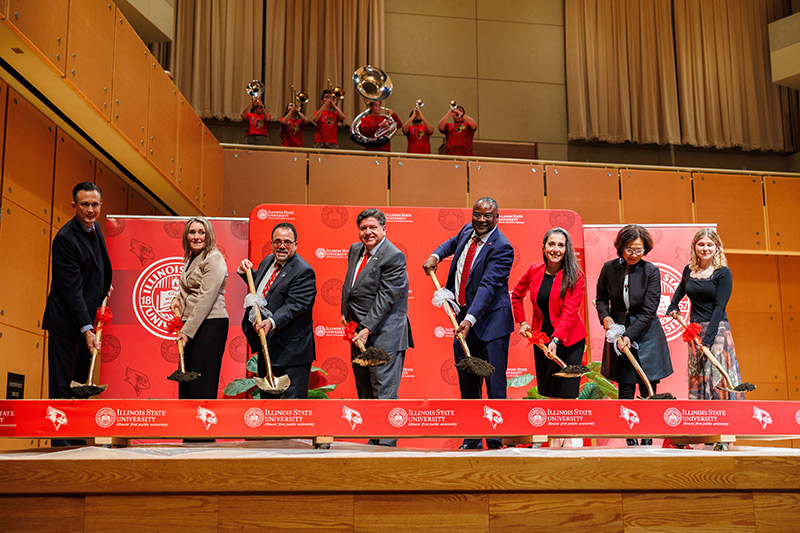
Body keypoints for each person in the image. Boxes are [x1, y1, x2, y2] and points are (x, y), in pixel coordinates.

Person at [423, 197, 514, 449]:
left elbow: (488, 287)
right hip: (463, 318)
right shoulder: (467, 230)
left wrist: (470, 319)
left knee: (494, 385)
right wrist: (436, 255)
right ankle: (472, 437)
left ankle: (495, 439)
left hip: (490, 324)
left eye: (487, 216)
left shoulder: (502, 247)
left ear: (497, 217)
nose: (481, 220)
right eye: (477, 214)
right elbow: (452, 243)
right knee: (467, 381)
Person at [43, 182, 113, 445]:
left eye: (95, 205)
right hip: (66, 322)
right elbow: (71, 289)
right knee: (62, 386)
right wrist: (86, 328)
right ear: (74, 206)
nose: (90, 210)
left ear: (100, 205)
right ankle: (61, 444)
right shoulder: (65, 238)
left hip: (87, 319)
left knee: (79, 384)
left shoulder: (95, 229)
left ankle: (77, 441)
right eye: (85, 205)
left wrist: (104, 288)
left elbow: (97, 268)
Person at [595, 224, 672, 446]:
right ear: (620, 247)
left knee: (648, 386)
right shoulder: (608, 269)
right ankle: (630, 439)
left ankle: (647, 438)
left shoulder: (651, 271)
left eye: (639, 249)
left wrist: (630, 336)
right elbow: (601, 299)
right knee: (625, 386)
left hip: (646, 335)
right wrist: (605, 317)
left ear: (645, 249)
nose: (634, 254)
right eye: (629, 249)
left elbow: (649, 310)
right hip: (618, 333)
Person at [341, 208, 413, 446]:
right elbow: (350, 286)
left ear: (384, 229)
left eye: (373, 227)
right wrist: (344, 315)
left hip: (385, 333)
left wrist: (367, 328)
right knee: (365, 391)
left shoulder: (394, 256)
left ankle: (386, 448)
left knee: (384, 392)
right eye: (363, 228)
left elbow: (386, 298)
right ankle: (374, 440)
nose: (368, 232)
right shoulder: (355, 250)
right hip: (358, 332)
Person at [238, 223, 317, 399]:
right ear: (272, 243)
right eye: (277, 241)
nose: (282, 245)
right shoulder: (268, 261)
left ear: (296, 244)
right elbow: (265, 289)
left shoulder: (303, 271)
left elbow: (296, 304)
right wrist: (246, 272)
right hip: (267, 348)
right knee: (269, 409)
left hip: (291, 355)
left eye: (287, 242)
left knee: (291, 409)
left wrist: (272, 322)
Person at [667, 228, 742, 400]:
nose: (705, 248)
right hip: (695, 330)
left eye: (710, 245)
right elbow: (682, 288)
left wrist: (708, 340)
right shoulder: (689, 270)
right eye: (701, 244)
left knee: (717, 374)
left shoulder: (723, 272)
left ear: (717, 247)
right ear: (694, 246)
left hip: (717, 330)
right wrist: (672, 306)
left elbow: (719, 307)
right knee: (698, 374)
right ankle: (700, 411)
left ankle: (723, 412)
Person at [511, 228, 586, 399]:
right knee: (548, 393)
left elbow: (569, 311)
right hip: (542, 341)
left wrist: (556, 339)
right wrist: (522, 322)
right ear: (544, 247)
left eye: (561, 245)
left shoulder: (576, 276)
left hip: (569, 341)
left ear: (566, 249)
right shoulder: (534, 270)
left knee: (567, 395)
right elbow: (516, 295)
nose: (555, 249)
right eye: (551, 244)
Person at [170, 217, 229, 403]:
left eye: (201, 232)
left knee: (201, 382)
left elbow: (206, 298)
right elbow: (189, 290)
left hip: (210, 324)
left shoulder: (214, 259)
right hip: (192, 323)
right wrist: (176, 299)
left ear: (209, 235)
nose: (196, 237)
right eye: (192, 232)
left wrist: (186, 331)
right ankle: (186, 421)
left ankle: (202, 421)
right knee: (187, 380)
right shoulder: (191, 258)